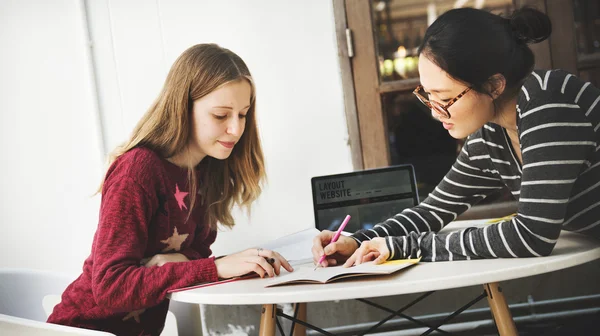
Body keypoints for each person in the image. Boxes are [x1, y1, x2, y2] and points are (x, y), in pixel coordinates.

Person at [312, 7, 600, 267]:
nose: (436, 113)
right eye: (428, 96)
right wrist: (360, 241)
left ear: (494, 85)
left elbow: (531, 236)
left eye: (446, 98)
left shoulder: (547, 105)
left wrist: (406, 248)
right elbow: (432, 211)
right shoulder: (491, 133)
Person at [48, 44, 293, 336]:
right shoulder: (137, 170)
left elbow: (198, 247)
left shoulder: (206, 171)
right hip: (81, 330)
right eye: (220, 115)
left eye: (243, 115)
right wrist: (213, 268)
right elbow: (110, 287)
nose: (236, 130)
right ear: (182, 107)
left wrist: (186, 260)